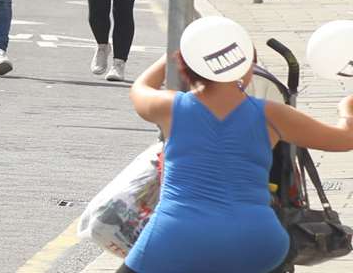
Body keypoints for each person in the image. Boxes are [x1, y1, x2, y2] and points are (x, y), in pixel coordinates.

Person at [120, 17, 353, 273]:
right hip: (257, 241)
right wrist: (346, 109)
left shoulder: (170, 107)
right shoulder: (272, 115)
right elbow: (344, 139)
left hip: (177, 236)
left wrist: (174, 54)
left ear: (188, 65)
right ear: (247, 66)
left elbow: (140, 88)